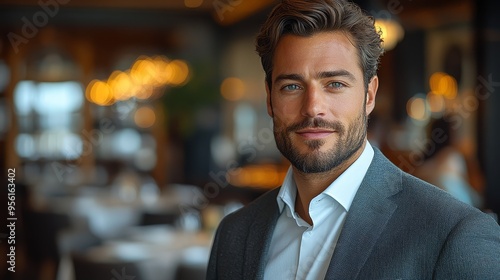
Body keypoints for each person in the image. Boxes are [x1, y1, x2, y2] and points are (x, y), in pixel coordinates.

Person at [207, 0, 500, 279]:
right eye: (292, 86)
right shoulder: (234, 235)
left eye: (335, 84)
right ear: (270, 98)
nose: (312, 107)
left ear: (369, 95)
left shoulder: (456, 233)